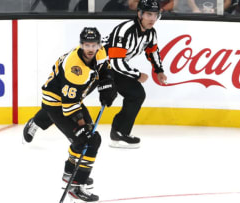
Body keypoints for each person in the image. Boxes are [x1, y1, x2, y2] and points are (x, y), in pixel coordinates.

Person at [24, 27, 117, 202]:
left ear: (99, 45)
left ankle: (69, 174)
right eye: (87, 45)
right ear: (81, 45)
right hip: (58, 104)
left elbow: (105, 67)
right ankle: (76, 186)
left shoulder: (100, 51)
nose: (91, 49)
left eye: (94, 45)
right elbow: (69, 106)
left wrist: (108, 83)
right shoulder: (76, 69)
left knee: (85, 137)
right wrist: (82, 129)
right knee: (88, 140)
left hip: (72, 98)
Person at [102, 0, 167, 148]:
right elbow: (116, 62)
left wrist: (159, 70)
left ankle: (120, 133)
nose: (152, 18)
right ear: (140, 14)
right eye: (149, 14)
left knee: (136, 94)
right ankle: (42, 118)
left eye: (155, 15)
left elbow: (152, 51)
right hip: (95, 64)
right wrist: (137, 75)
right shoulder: (125, 30)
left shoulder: (151, 33)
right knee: (74, 96)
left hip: (112, 67)